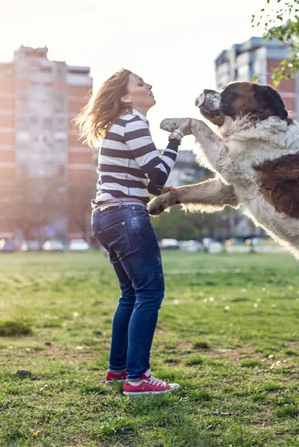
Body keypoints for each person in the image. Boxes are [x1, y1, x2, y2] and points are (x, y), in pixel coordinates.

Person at [75, 69, 190, 395]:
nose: (149, 85)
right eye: (140, 83)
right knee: (149, 294)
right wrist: (176, 139)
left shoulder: (121, 124)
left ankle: (119, 371)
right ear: (126, 96)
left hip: (106, 215)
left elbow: (147, 178)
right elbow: (155, 175)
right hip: (126, 215)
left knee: (131, 295)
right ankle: (137, 379)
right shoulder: (133, 121)